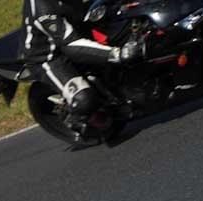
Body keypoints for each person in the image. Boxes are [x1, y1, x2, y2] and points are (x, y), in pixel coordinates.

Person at [21, 0, 144, 129]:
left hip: (78, 29)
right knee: (84, 100)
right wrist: (117, 54)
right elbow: (71, 45)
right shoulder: (43, 8)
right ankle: (77, 117)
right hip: (49, 58)